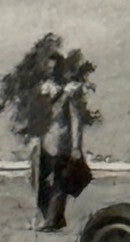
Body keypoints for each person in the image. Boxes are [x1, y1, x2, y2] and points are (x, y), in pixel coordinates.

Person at [31, 68, 89, 232]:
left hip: (62, 145)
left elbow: (77, 120)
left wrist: (76, 147)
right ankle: (52, 217)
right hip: (44, 144)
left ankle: (51, 219)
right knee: (37, 180)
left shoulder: (69, 95)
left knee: (60, 183)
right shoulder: (44, 95)